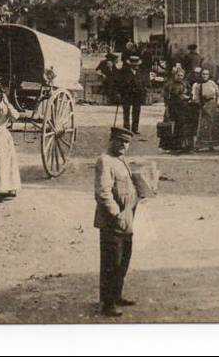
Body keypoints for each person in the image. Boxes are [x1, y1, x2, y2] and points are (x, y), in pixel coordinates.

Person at [94, 127, 140, 317]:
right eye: (119, 141)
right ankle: (107, 303)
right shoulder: (105, 161)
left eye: (126, 142)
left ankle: (117, 295)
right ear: (111, 140)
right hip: (112, 221)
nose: (123, 145)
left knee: (123, 261)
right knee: (111, 263)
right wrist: (115, 214)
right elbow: (103, 192)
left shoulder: (121, 160)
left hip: (127, 218)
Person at [192, 68, 219, 150]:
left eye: (206, 74)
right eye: (203, 74)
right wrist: (200, 105)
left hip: (213, 105)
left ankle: (211, 144)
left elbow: (218, 93)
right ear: (200, 75)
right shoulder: (198, 85)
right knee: (204, 126)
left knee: (213, 125)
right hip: (204, 106)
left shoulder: (212, 83)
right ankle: (200, 145)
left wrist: (218, 103)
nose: (205, 76)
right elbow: (196, 97)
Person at [163, 68, 193, 153]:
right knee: (173, 127)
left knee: (184, 127)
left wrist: (188, 97)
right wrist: (167, 107)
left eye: (181, 75)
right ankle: (173, 146)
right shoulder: (170, 84)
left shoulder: (186, 84)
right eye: (178, 75)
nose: (180, 77)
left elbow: (191, 94)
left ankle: (184, 146)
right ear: (175, 75)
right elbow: (166, 97)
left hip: (184, 108)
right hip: (173, 108)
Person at [117, 55, 148, 135]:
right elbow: (119, 83)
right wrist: (119, 93)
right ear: (131, 65)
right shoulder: (124, 72)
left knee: (136, 111)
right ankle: (126, 128)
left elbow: (143, 83)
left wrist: (143, 92)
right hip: (127, 94)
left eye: (137, 65)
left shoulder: (140, 72)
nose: (137, 66)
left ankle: (135, 128)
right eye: (135, 65)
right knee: (126, 111)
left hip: (137, 95)